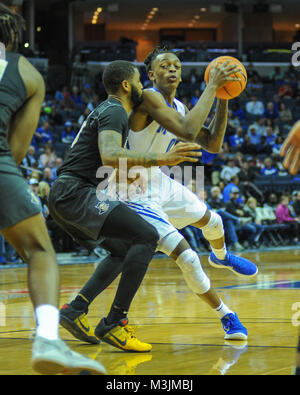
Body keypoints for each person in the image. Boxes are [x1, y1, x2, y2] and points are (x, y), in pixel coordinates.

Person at [61, 48, 259, 348]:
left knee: (213, 220)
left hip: (158, 179)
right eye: (164, 65)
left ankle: (221, 256)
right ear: (150, 74)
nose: (172, 69)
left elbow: (214, 144)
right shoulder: (150, 97)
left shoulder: (178, 106)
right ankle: (226, 315)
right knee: (188, 257)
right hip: (131, 190)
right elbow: (189, 129)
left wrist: (223, 98)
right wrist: (212, 85)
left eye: (177, 65)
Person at [49, 59, 202, 351]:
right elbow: (109, 155)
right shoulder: (116, 110)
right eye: (140, 82)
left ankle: (76, 309)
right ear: (126, 85)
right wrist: (163, 160)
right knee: (146, 236)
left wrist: (129, 173)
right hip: (75, 193)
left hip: (68, 194)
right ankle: (114, 322)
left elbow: (100, 159)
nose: (143, 88)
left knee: (121, 250)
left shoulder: (107, 111)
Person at [0, 4, 105, 375]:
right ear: (12, 36)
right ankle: (47, 338)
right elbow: (14, 152)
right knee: (39, 250)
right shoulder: (26, 73)